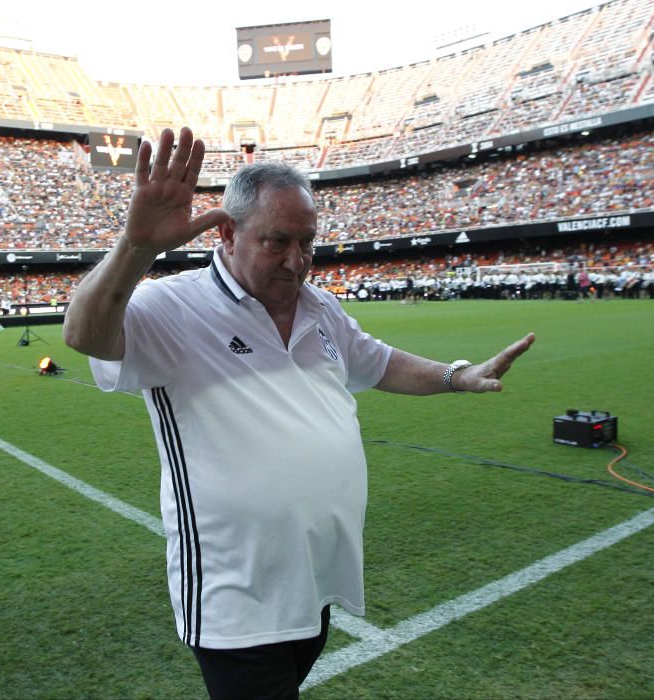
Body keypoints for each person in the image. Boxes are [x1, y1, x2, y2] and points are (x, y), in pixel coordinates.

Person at [63, 127, 535, 700]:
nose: (297, 261)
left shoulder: (320, 308)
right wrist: (136, 249)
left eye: (307, 242)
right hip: (235, 595)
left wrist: (456, 377)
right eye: (278, 242)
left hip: (314, 580)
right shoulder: (174, 306)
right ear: (229, 233)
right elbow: (83, 334)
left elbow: (379, 362)